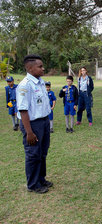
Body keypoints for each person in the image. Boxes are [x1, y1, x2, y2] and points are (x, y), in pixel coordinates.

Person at [16, 54, 53, 194]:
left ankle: (41, 179)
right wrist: (29, 132)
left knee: (42, 152)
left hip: (43, 121)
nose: (43, 69)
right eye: (40, 66)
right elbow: (23, 110)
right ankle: (33, 184)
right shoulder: (25, 85)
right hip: (32, 124)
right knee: (33, 154)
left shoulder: (41, 81)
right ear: (30, 68)